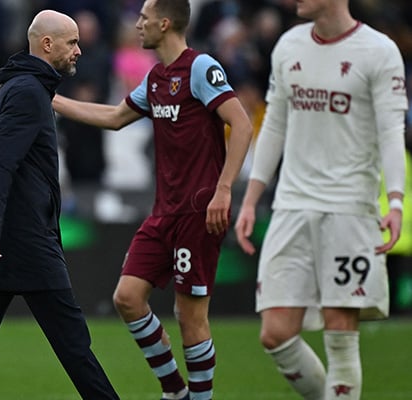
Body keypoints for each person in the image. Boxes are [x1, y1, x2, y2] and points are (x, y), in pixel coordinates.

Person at [52, 0, 253, 399]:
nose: (137, 25)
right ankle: (174, 390)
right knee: (127, 298)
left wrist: (224, 188)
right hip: (163, 211)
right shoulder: (157, 78)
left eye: (143, 18)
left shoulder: (200, 68)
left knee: (190, 317)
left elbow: (242, 123)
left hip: (198, 210)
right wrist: (50, 99)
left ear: (164, 23)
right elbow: (113, 117)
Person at [0, 10, 119, 400]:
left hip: (7, 241)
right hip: (25, 242)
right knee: (75, 347)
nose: (79, 51)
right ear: (47, 44)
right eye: (72, 43)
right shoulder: (28, 93)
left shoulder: (22, 89)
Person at [233, 0, 408, 398]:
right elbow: (274, 123)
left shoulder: (379, 51)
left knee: (339, 330)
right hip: (291, 205)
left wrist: (394, 201)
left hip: (349, 208)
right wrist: (251, 198)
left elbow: (391, 132)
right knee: (275, 333)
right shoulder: (288, 45)